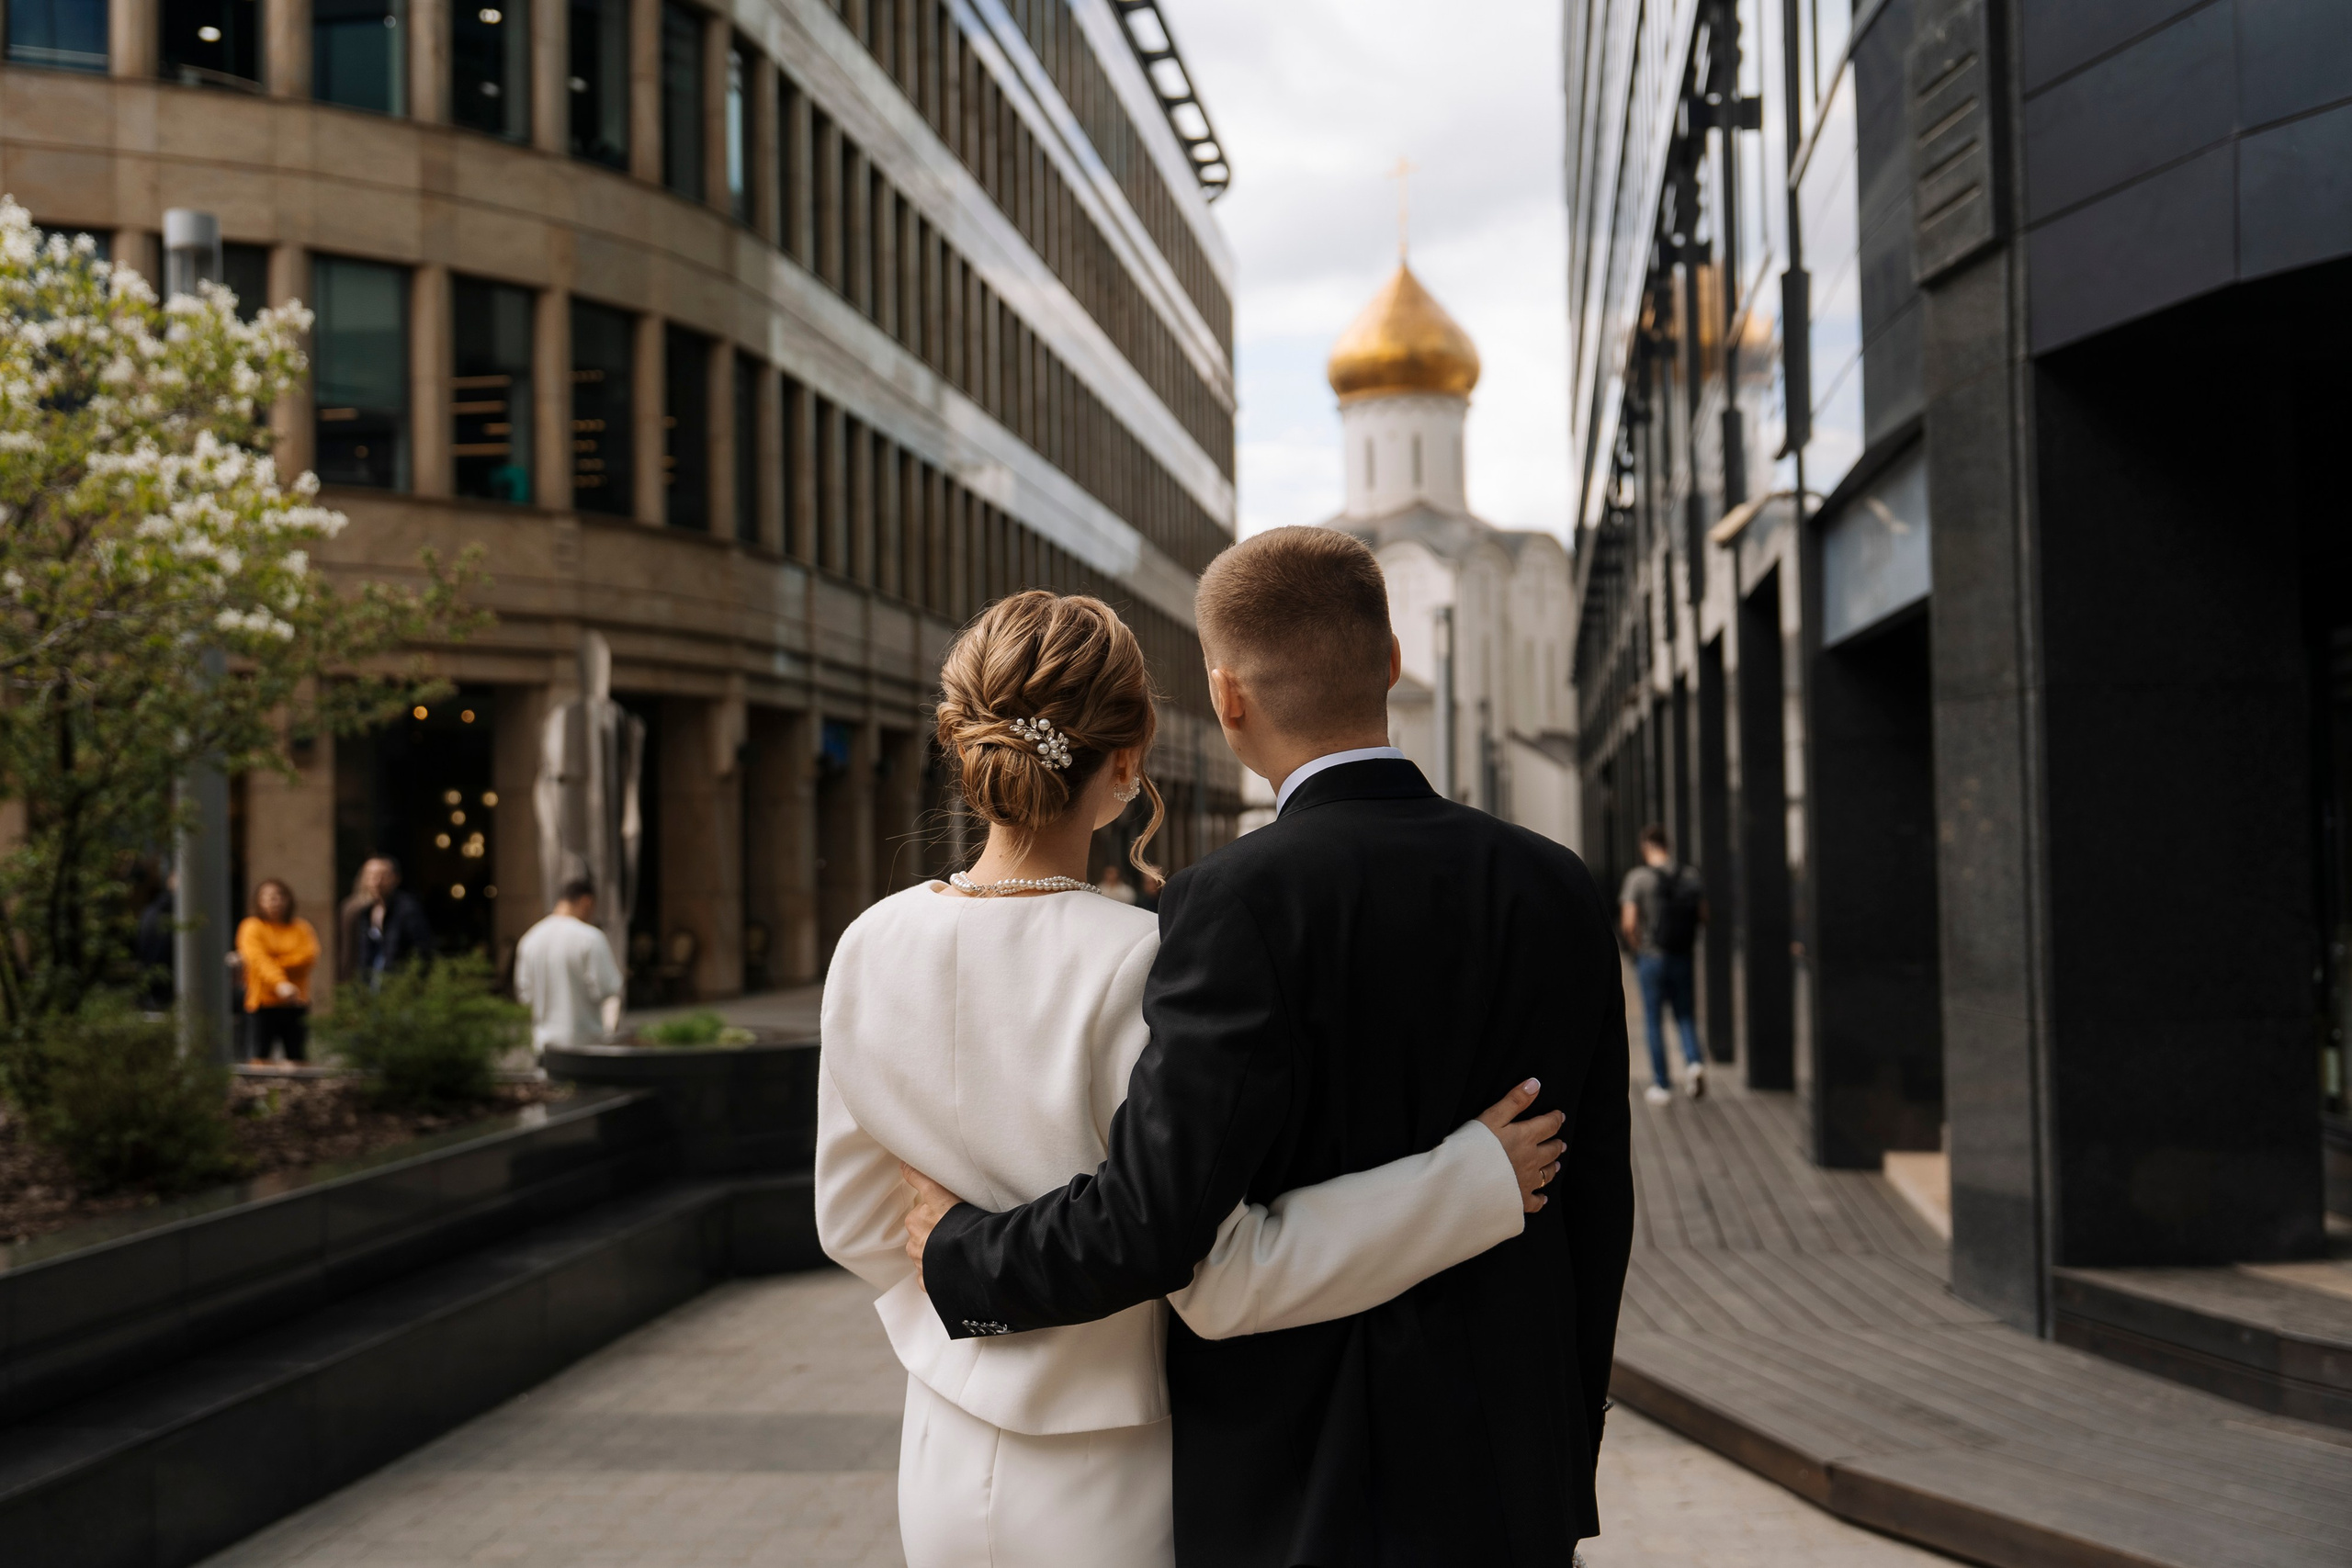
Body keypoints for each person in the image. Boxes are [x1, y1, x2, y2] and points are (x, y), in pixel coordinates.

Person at [901, 528, 1634, 1568]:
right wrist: (1564, 1441)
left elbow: (1158, 1220)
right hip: (1514, 1473)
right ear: (1389, 660)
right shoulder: (1554, 883)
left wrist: (958, 1258)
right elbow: (1600, 1202)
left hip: (1304, 1492)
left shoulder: (1231, 902)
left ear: (1226, 697)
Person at [1620, 824, 1707, 1104]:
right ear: (1667, 845)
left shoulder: (1638, 877)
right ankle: (1694, 1063)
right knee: (1684, 1014)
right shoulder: (1689, 874)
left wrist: (1637, 948)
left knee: (1653, 1020)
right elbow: (1704, 915)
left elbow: (1629, 922)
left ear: (1645, 847)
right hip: (1681, 954)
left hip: (1652, 957)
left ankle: (1662, 1084)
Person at [514, 876, 626, 1055]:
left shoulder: (530, 939)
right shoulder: (591, 938)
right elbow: (609, 988)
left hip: (544, 1047)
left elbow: (525, 996)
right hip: (586, 1048)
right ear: (586, 902)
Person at [236, 878, 319, 1065]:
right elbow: (257, 961)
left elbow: (307, 957)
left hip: (296, 1001)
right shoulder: (252, 927)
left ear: (288, 899)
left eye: (279, 896)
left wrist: (276, 962)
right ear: (259, 901)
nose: (275, 902)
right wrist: (280, 983)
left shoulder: (301, 928)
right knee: (259, 1057)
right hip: (262, 1002)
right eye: (268, 897)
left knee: (298, 1057)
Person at [340, 855, 435, 983]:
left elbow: (422, 952)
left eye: (383, 876)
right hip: (367, 984)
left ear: (396, 878)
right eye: (371, 876)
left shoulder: (407, 910)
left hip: (396, 985)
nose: (376, 882)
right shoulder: (362, 911)